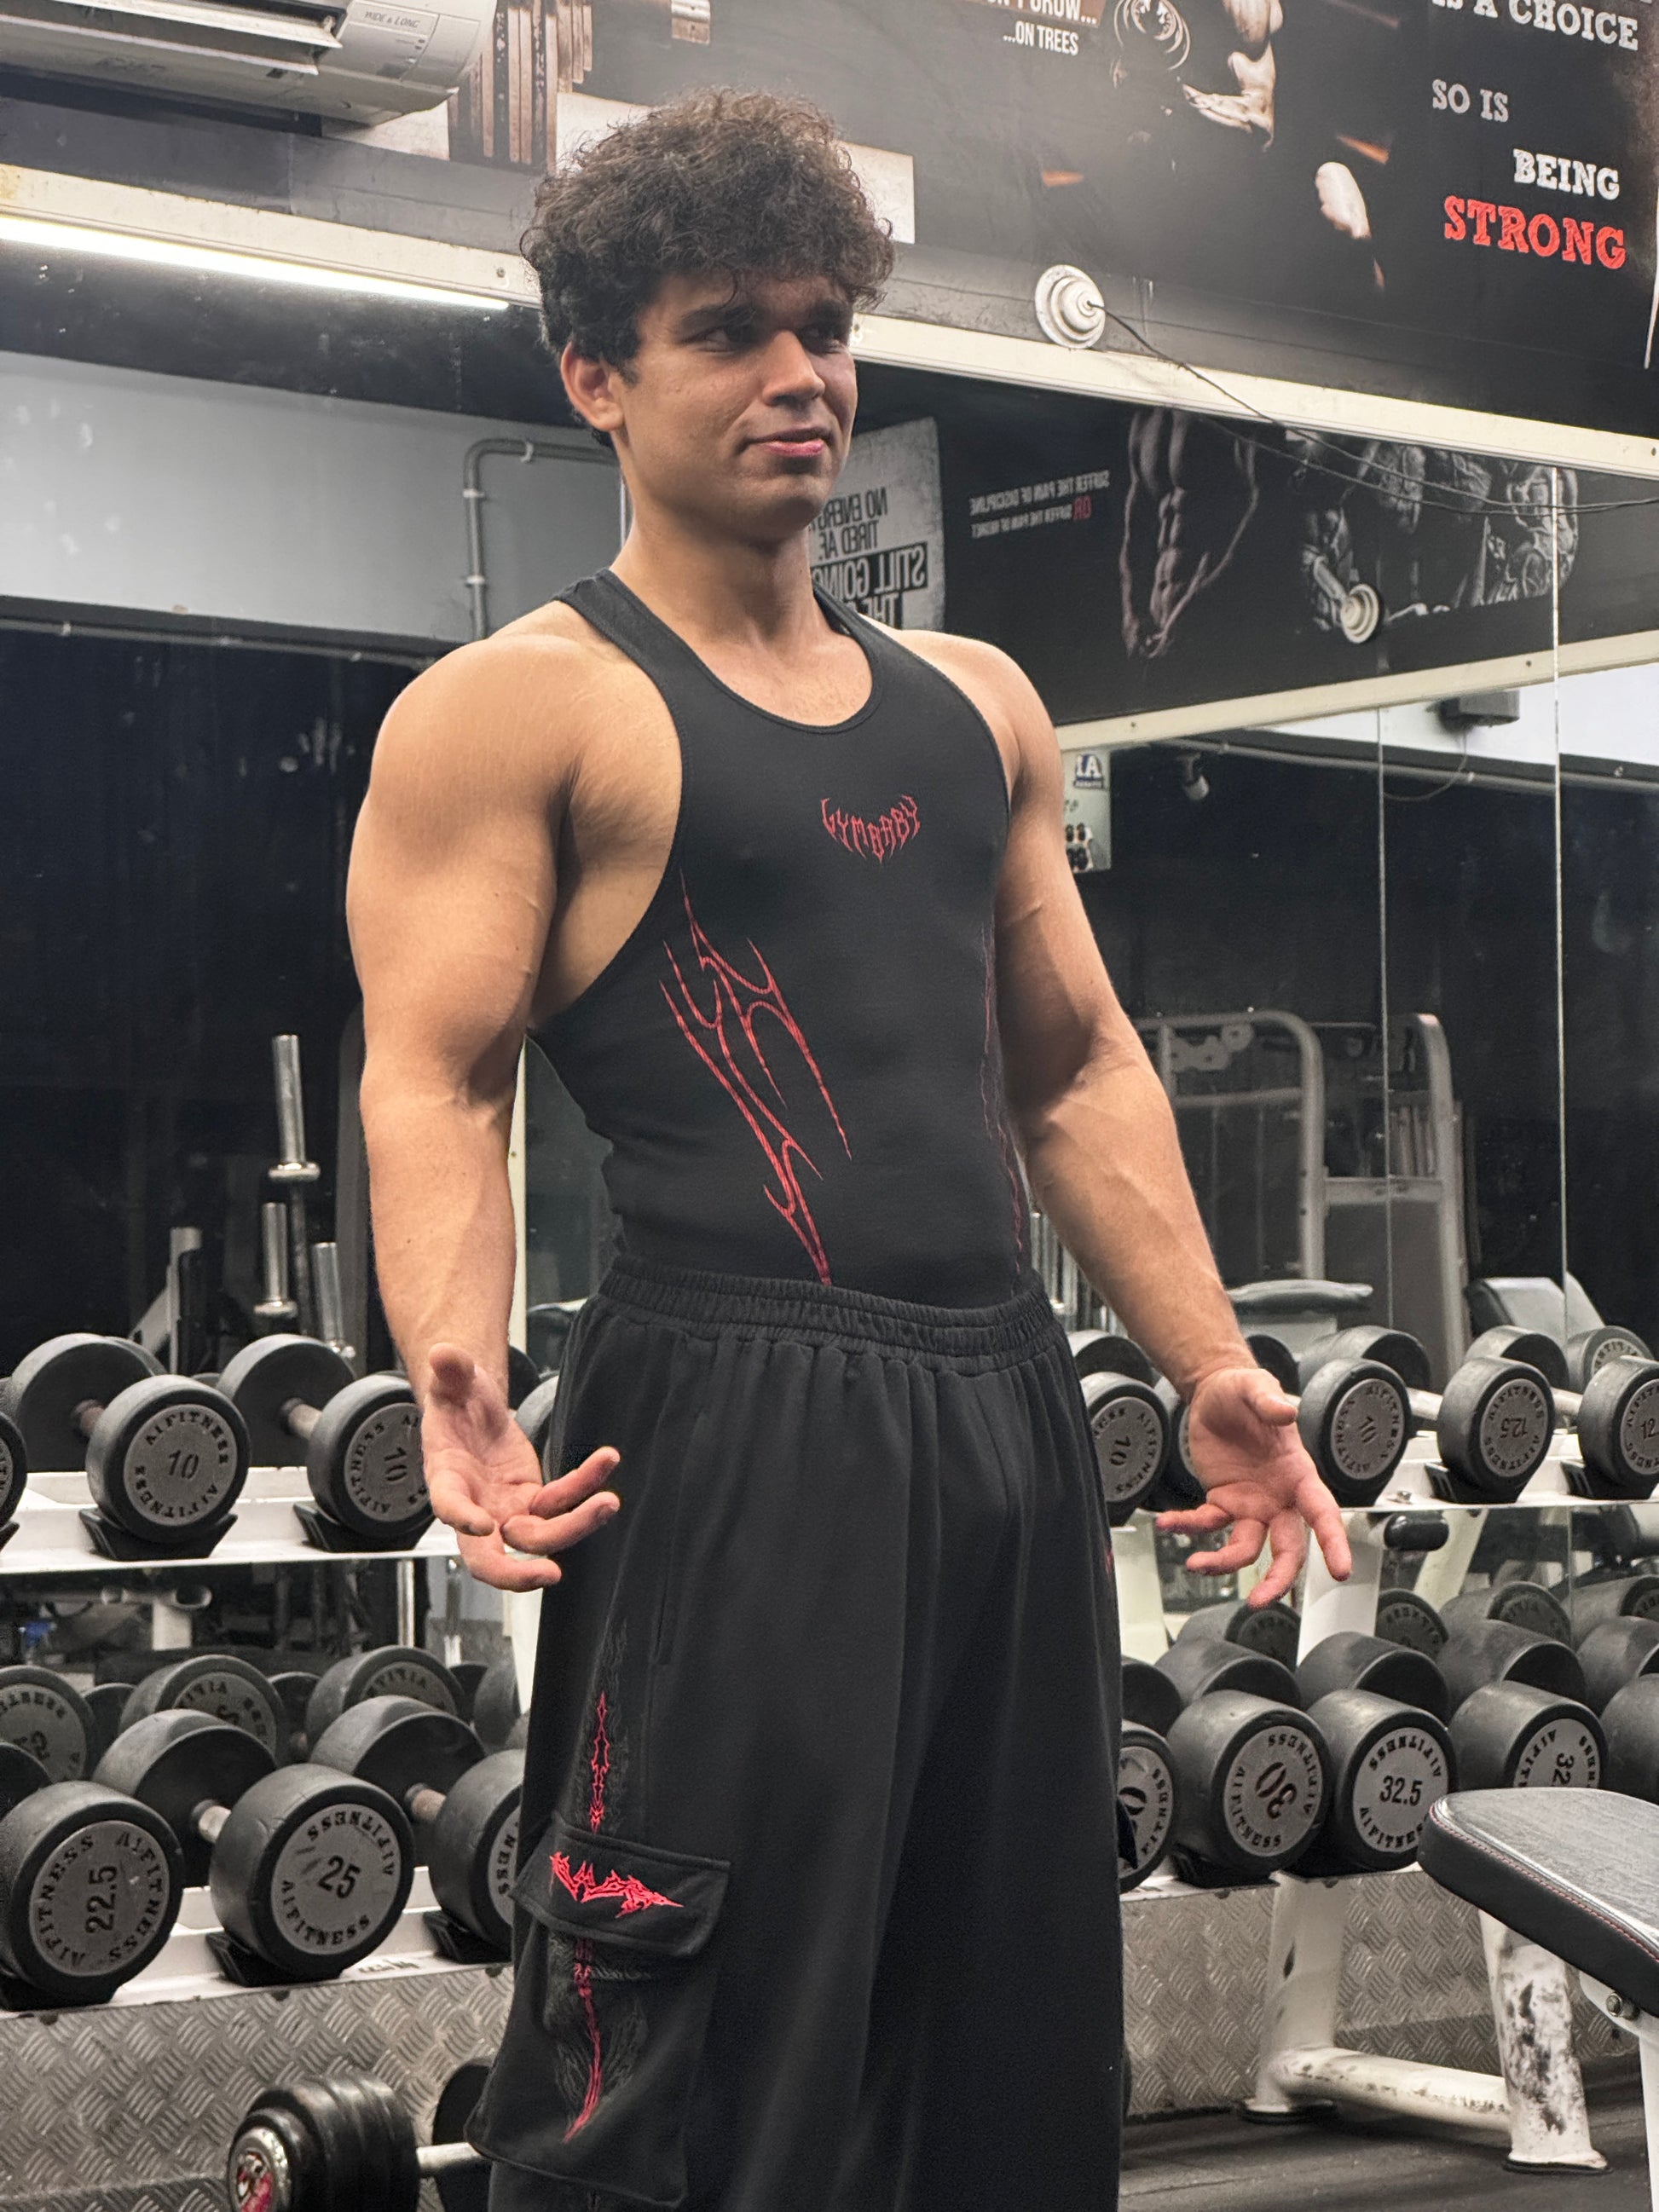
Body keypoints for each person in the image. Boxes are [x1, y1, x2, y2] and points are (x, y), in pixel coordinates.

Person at [347, 86, 1351, 2212]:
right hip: (722, 1426)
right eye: (730, 330)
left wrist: (1207, 1362)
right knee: (683, 2038)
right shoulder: (516, 710)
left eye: (826, 325)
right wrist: (451, 1349)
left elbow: (1070, 1066)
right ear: (595, 378)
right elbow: (437, 1075)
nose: (801, 374)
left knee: (999, 2014)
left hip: (995, 1406)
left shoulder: (977, 700)